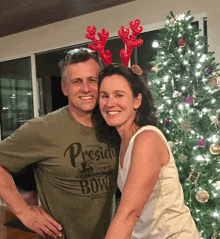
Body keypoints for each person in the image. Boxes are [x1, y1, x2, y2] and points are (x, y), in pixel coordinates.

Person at [0, 48, 119, 239]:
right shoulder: (42, 128)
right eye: (76, 82)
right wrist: (22, 212)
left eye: (92, 80)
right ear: (65, 88)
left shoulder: (114, 126)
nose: (86, 88)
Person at [95, 63, 201, 238]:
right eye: (104, 96)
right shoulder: (122, 142)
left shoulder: (147, 139)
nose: (110, 103)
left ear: (137, 100)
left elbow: (130, 213)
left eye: (119, 95)